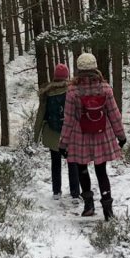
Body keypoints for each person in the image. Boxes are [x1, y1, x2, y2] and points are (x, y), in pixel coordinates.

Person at [59, 52, 126, 219]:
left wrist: (63, 143)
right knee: (101, 171)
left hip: (79, 136)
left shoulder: (73, 91)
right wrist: (121, 135)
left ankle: (88, 205)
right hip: (101, 135)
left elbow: (68, 119)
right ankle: (107, 209)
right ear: (96, 68)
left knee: (82, 169)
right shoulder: (105, 89)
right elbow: (114, 114)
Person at [34, 63, 81, 202]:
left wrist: (35, 136)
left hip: (52, 133)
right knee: (72, 162)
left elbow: (40, 115)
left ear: (55, 76)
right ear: (66, 76)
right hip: (70, 133)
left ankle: (56, 191)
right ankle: (74, 193)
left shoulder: (46, 93)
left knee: (55, 162)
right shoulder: (72, 92)